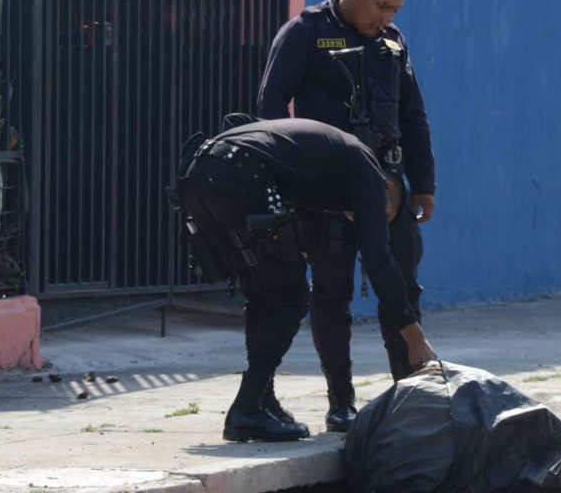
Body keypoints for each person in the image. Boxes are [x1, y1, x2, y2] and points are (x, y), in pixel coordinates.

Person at [256, 0, 436, 432]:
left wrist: (425, 185)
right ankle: (341, 403)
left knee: (401, 286)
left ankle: (407, 395)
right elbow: (270, 108)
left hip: (389, 191)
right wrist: (299, 176)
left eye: (395, 9)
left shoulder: (393, 44)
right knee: (331, 296)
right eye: (381, 5)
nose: (387, 17)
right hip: (327, 195)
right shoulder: (307, 33)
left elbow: (413, 115)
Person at [174, 117, 438, 443]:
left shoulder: (326, 162)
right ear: (388, 188)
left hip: (201, 175)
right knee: (291, 297)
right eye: (379, 214)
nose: (368, 220)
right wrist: (415, 338)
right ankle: (248, 406)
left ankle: (260, 401)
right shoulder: (368, 171)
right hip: (242, 174)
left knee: (264, 293)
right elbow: (378, 260)